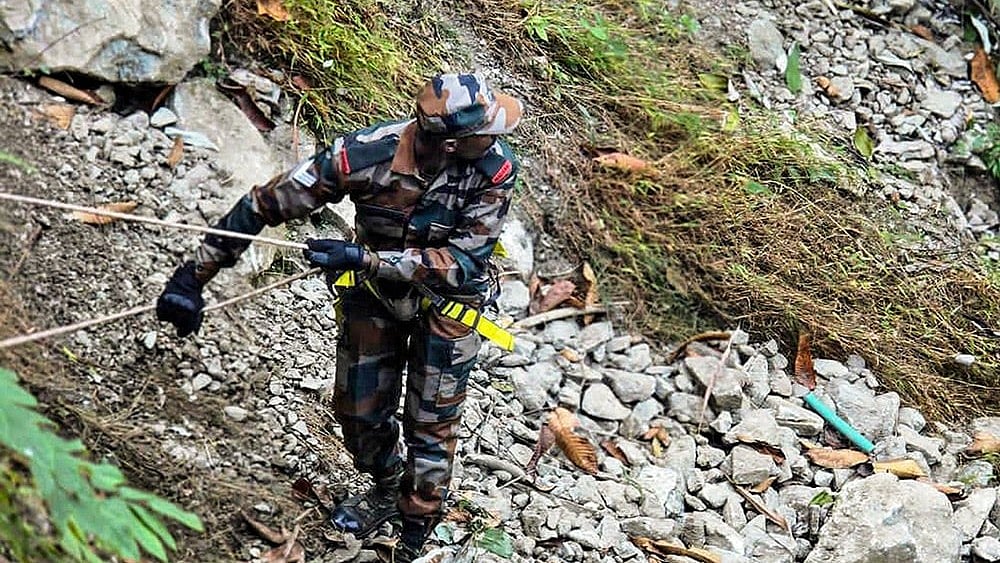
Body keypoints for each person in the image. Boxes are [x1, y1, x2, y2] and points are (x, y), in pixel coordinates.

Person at [155, 72, 522, 561]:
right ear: (453, 143)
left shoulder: (493, 170)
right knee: (357, 410)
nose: (497, 138)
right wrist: (191, 279)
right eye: (486, 131)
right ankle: (387, 486)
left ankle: (415, 530)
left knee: (430, 425)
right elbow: (266, 203)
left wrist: (367, 260)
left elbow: (462, 263)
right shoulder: (365, 154)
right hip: (374, 296)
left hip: (448, 305)